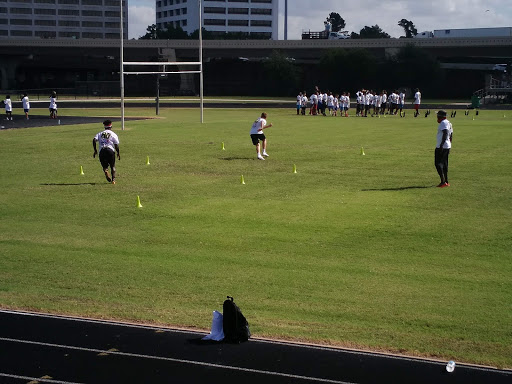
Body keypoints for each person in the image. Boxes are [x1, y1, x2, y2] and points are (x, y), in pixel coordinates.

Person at [93, 120, 120, 184]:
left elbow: (94, 140)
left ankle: (105, 170)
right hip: (110, 150)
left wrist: (95, 150)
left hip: (102, 151)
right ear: (111, 126)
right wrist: (118, 153)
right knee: (112, 166)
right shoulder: (113, 134)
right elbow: (116, 145)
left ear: (104, 126)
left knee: (105, 166)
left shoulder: (100, 133)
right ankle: (113, 180)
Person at [434, 110, 453, 187]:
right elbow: (451, 135)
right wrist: (449, 144)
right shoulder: (449, 123)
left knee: (438, 164)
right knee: (445, 164)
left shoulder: (443, 123)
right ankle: (446, 181)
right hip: (447, 146)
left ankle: (443, 182)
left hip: (442, 146)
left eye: (438, 115)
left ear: (440, 116)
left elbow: (445, 133)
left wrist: (442, 145)